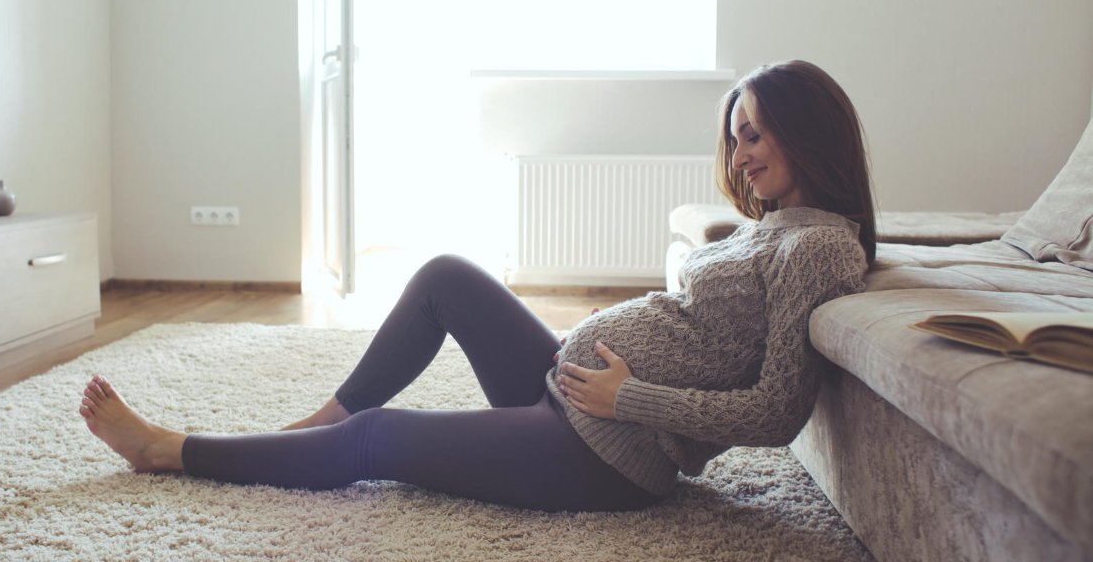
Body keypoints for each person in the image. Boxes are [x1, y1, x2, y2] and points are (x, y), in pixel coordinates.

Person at [80, 59, 876, 513]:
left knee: (381, 440)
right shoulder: (773, 228)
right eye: (736, 137)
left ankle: (168, 451)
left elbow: (777, 412)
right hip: (569, 396)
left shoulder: (817, 248)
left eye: (754, 134)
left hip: (604, 453)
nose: (738, 156)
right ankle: (318, 420)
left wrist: (627, 398)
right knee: (445, 277)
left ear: (806, 131)